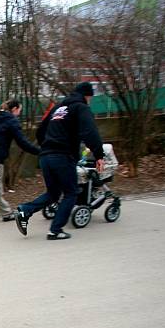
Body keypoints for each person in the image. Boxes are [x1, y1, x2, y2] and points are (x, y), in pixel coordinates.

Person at [14, 82, 105, 240]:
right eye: (90, 97)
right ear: (87, 95)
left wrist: (48, 145)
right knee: (71, 193)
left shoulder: (58, 108)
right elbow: (90, 132)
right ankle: (55, 230)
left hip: (46, 156)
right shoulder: (81, 108)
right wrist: (99, 155)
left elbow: (41, 130)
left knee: (54, 193)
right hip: (62, 156)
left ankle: (25, 210)